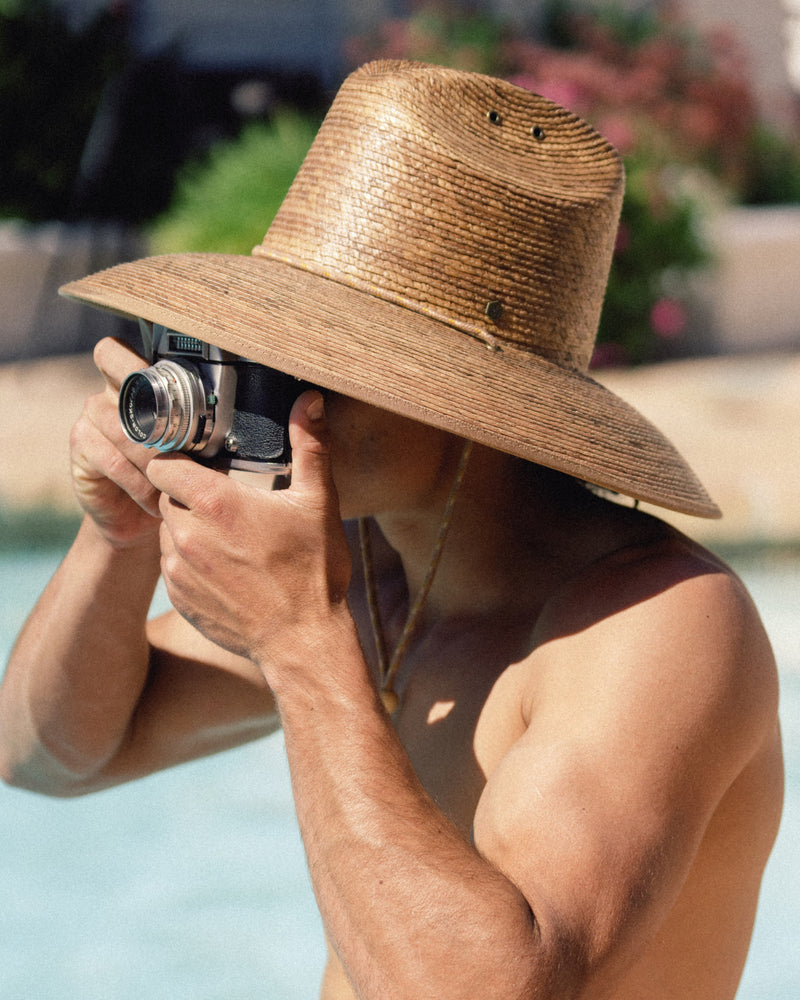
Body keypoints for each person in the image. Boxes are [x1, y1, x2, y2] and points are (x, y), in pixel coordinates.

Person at [0, 61, 783, 1000]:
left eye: (321, 352)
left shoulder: (655, 627)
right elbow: (48, 754)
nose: (276, 381)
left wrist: (298, 641)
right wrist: (119, 534)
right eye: (268, 343)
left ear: (465, 399)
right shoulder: (375, 581)